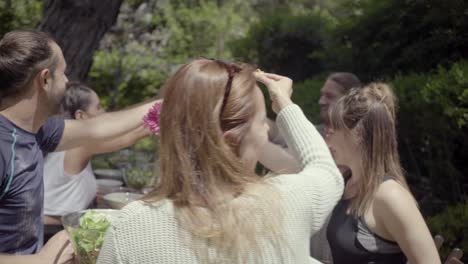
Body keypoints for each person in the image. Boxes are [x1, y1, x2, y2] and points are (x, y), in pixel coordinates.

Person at [96, 58, 344, 264]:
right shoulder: (289, 201)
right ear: (232, 140)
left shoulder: (130, 229)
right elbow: (325, 169)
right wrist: (285, 105)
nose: (266, 132)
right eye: (261, 123)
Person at [0, 30, 157, 261]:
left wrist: (162, 106)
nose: (67, 81)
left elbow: (99, 128)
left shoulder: (38, 131)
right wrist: (40, 260)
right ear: (44, 79)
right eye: (63, 73)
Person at [325, 83, 440, 263]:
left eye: (335, 127)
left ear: (359, 134)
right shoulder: (346, 183)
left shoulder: (390, 196)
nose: (328, 135)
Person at [43, 81, 150, 225]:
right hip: (54, 232)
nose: (104, 113)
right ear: (81, 116)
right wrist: (160, 115)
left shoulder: (63, 140)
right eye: (99, 107)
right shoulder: (78, 145)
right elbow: (125, 137)